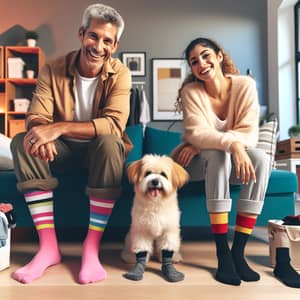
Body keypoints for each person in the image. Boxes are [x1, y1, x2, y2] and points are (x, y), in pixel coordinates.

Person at [10, 3, 132, 284]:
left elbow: (113, 124)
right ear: (81, 33)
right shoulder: (53, 69)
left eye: (107, 41)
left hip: (98, 153)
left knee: (111, 143)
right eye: (93, 36)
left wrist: (59, 127)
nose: (98, 46)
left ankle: (91, 249)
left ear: (115, 45)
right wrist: (41, 132)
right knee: (22, 142)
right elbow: (37, 115)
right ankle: (48, 248)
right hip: (60, 151)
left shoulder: (120, 74)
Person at [172, 37, 270, 286]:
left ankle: (238, 251)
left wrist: (220, 141)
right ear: (192, 69)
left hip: (226, 158)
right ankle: (222, 252)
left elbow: (249, 133)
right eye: (194, 61)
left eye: (206, 56)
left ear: (218, 56)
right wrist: (231, 144)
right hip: (194, 164)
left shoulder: (245, 85)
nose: (201, 64)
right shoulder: (191, 92)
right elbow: (197, 133)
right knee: (218, 153)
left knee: (260, 157)